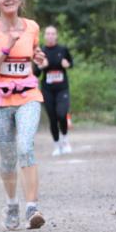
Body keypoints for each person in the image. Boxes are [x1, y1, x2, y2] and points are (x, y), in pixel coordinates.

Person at [0, 0, 48, 231]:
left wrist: (38, 59)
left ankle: (32, 207)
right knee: (8, 158)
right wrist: (6, 49)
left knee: (25, 146)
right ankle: (11, 204)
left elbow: (34, 56)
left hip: (28, 95)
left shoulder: (32, 27)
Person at [36, 25, 74, 156]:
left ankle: (65, 140)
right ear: (44, 36)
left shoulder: (63, 49)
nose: (50, 36)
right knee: (52, 118)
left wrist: (67, 65)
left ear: (56, 36)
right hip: (47, 90)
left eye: (53, 34)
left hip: (62, 88)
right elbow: (35, 72)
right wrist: (41, 66)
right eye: (48, 34)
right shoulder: (41, 51)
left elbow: (71, 63)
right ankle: (56, 145)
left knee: (62, 114)